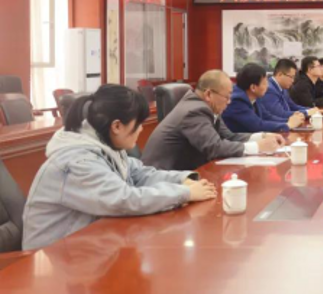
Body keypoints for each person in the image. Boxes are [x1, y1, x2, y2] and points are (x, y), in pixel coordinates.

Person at [22, 85, 218, 251]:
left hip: (87, 247)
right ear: (116, 126)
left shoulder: (106, 145)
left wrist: (184, 179)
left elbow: (140, 174)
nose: (141, 129)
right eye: (138, 124)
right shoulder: (77, 162)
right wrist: (184, 193)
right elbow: (124, 199)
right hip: (52, 258)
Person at [143, 70, 284, 171]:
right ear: (209, 94)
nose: (229, 102)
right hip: (163, 178)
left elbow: (229, 136)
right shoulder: (195, 111)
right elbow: (214, 148)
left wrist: (263, 136)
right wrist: (258, 147)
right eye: (226, 97)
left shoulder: (208, 107)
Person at [222, 63, 305, 134]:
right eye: (265, 83)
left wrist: (290, 120)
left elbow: (267, 116)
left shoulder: (254, 95)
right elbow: (257, 125)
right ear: (253, 87)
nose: (268, 86)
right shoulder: (237, 100)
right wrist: (288, 125)